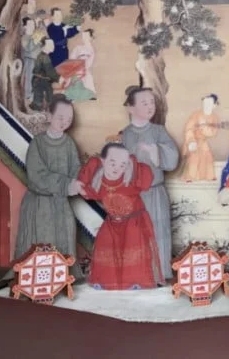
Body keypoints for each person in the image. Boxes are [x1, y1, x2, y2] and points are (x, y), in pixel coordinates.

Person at [13, 95, 84, 278]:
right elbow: (36, 176)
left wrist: (77, 182)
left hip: (61, 202)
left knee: (65, 234)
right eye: (60, 117)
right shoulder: (37, 143)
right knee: (42, 239)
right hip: (39, 204)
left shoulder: (68, 143)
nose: (64, 122)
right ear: (49, 116)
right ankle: (36, 280)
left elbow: (76, 168)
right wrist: (66, 184)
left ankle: (62, 277)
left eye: (68, 119)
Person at [77, 142, 162, 290]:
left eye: (122, 164)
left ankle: (135, 281)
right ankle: (106, 280)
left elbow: (146, 179)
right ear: (103, 161)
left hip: (134, 222)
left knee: (133, 250)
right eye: (112, 163)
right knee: (105, 246)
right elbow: (84, 189)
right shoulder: (98, 181)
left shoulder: (132, 178)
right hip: (112, 222)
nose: (117, 168)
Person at [120, 86, 180, 284]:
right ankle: (135, 274)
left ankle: (158, 274)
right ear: (130, 108)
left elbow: (172, 157)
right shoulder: (125, 135)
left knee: (157, 231)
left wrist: (155, 150)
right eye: (144, 103)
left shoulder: (158, 131)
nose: (150, 106)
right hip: (133, 195)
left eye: (152, 102)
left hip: (155, 192)